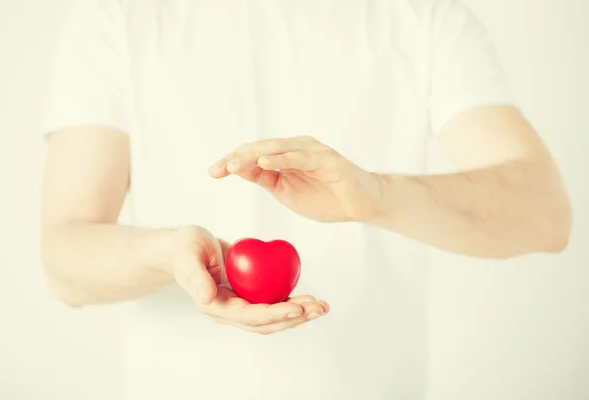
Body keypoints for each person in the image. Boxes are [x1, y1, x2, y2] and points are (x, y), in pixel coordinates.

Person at [39, 0, 572, 399]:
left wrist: (377, 195)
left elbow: (545, 214)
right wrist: (172, 255)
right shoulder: (115, 20)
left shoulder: (423, 15)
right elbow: (65, 263)